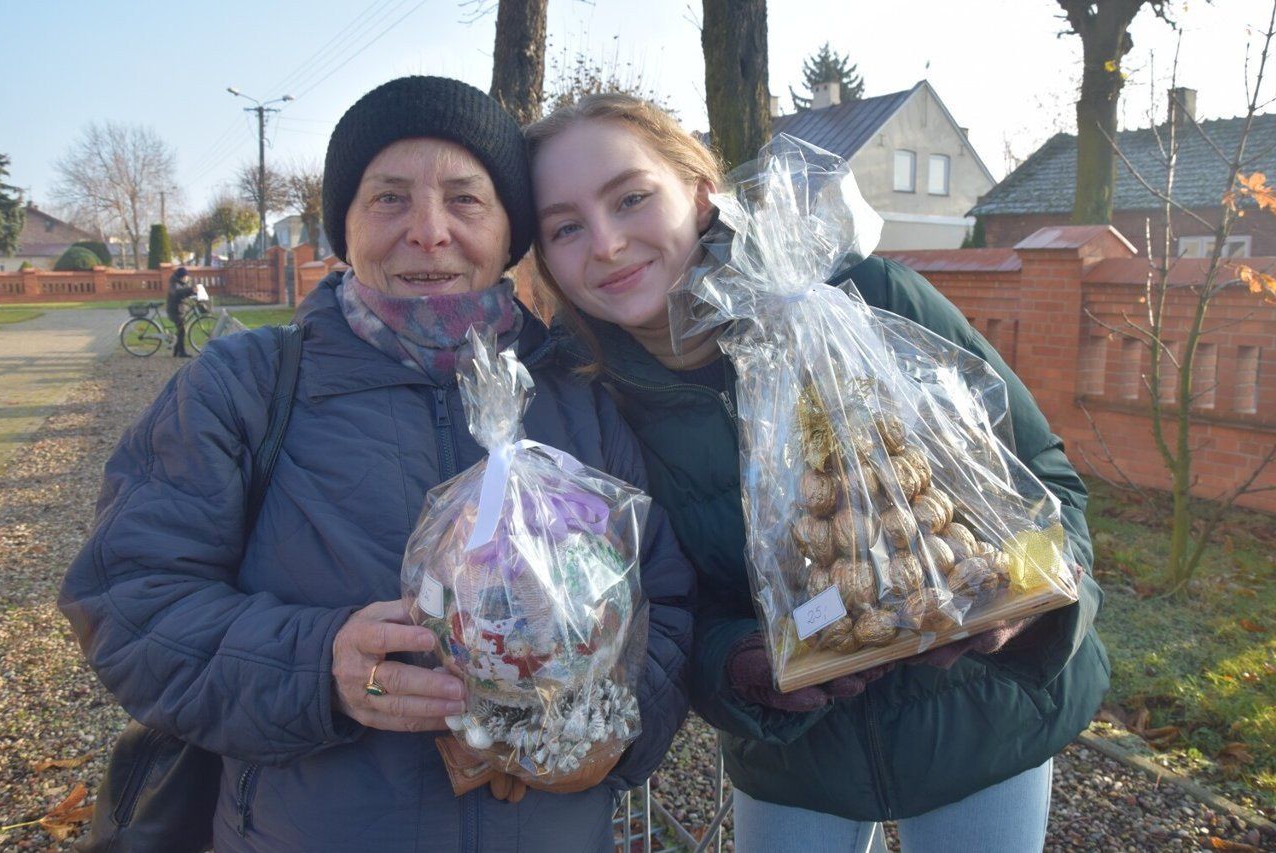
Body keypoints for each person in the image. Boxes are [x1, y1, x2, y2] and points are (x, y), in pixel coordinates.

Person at [60, 77, 695, 852]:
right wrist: (315, 664)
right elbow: (128, 599)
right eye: (389, 198)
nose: (428, 232)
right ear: (344, 229)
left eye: (465, 199)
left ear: (508, 231)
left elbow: (664, 599)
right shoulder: (247, 387)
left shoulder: (579, 392)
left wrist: (591, 741)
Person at [526, 94, 1109, 852]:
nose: (605, 243)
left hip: (982, 720)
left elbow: (1044, 486)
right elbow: (647, 618)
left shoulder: (865, 301)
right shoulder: (587, 406)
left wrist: (1025, 605)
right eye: (565, 226)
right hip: (796, 758)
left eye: (632, 197)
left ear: (702, 193)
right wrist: (735, 667)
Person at [166, 265, 195, 357]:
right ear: (181, 277)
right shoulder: (174, 284)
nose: (187, 278)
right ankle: (181, 352)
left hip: (178, 310)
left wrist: (193, 292)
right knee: (181, 330)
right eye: (186, 277)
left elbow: (183, 292)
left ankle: (176, 351)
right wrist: (190, 289)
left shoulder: (179, 283)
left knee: (180, 330)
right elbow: (177, 293)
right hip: (174, 311)